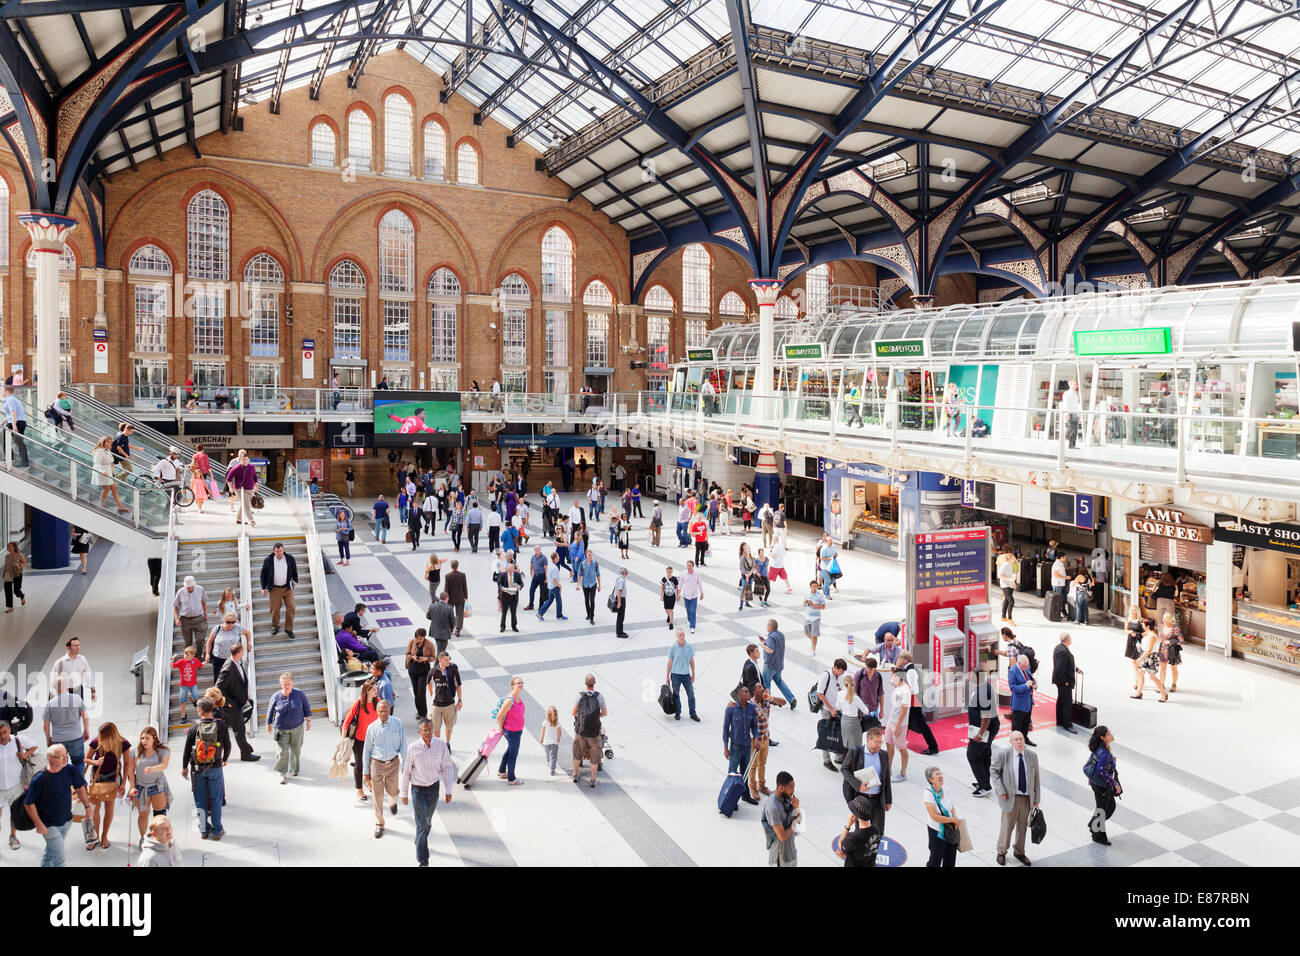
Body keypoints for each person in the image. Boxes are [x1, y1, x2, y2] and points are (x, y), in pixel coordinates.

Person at [23, 744, 92, 866]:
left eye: (66, 756)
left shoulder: (69, 769)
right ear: (50, 758)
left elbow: (80, 788)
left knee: (51, 852)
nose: (66, 759)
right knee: (59, 859)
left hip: (66, 821)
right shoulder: (40, 779)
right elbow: (28, 803)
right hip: (48, 825)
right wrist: (38, 824)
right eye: (62, 757)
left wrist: (87, 807)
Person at [401, 718, 454, 866]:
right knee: (422, 823)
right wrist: (404, 793)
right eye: (424, 730)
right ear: (419, 732)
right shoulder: (413, 748)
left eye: (430, 730)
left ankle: (419, 839)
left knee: (427, 823)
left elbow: (447, 768)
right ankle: (423, 860)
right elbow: (406, 772)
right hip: (418, 790)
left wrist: (448, 790)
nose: (428, 733)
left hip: (433, 789)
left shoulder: (441, 745)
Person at [181, 698, 231, 841]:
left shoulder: (194, 727)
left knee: (200, 801)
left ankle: (203, 830)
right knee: (215, 799)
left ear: (200, 711)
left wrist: (184, 767)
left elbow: (186, 750)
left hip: (197, 769)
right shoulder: (221, 725)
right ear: (212, 709)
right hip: (215, 767)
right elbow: (227, 744)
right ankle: (217, 829)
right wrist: (224, 759)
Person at [991, 730, 1040, 866]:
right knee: (1007, 826)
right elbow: (994, 771)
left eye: (1021, 739)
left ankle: (1019, 851)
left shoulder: (1032, 756)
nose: (1019, 742)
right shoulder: (1003, 754)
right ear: (1011, 742)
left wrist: (1036, 799)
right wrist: (1000, 790)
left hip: (1026, 798)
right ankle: (1001, 852)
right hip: (1009, 797)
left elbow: (1036, 779)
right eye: (1016, 740)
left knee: (1023, 827)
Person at [84, 722, 132, 850]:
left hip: (113, 779)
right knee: (95, 808)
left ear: (110, 736)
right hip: (97, 778)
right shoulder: (96, 741)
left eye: (102, 736)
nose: (100, 739)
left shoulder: (123, 743)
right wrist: (96, 761)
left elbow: (127, 764)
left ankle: (105, 836)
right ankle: (95, 837)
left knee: (109, 807)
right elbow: (86, 759)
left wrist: (123, 784)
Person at [363, 700, 406, 838]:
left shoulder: (398, 723)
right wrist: (365, 772)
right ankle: (379, 823)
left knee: (392, 791)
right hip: (377, 764)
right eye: (380, 711)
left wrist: (405, 766)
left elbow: (403, 745)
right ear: (377, 712)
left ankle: (393, 801)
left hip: (393, 764)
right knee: (377, 795)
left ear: (390, 710)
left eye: (385, 711)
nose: (383, 714)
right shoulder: (372, 728)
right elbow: (367, 751)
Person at [127, 727, 171, 849]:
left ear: (154, 738)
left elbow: (164, 765)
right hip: (140, 788)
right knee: (143, 815)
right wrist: (131, 787)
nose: (144, 741)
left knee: (160, 815)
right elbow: (130, 770)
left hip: (157, 786)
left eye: (147, 738)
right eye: (142, 738)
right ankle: (143, 839)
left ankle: (161, 839)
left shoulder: (162, 751)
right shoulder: (135, 751)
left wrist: (152, 769)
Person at [216, 643, 259, 761]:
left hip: (239, 702)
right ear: (240, 652)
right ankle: (246, 754)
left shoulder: (236, 662)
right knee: (239, 730)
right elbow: (218, 688)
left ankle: (245, 752)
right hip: (232, 706)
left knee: (240, 727)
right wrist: (228, 702)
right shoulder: (228, 668)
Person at [266, 672, 311, 784]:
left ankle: (294, 769)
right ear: (281, 684)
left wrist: (308, 720)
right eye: (284, 684)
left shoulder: (299, 694)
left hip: (297, 727)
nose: (286, 686)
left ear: (292, 683)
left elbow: (306, 707)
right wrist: (268, 724)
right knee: (282, 752)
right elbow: (270, 711)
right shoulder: (276, 696)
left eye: (289, 684)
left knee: (296, 750)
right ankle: (282, 773)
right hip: (281, 729)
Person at [0, 720, 38, 852]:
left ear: (9, 730)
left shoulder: (18, 740)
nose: (3, 736)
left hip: (15, 784)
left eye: (4, 732)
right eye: (0, 734)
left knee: (14, 813)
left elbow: (35, 746)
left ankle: (12, 836)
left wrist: (25, 754)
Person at [42, 676, 89, 780]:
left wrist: (48, 738)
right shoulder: (76, 698)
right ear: (67, 686)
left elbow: (45, 724)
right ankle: (79, 786)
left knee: (59, 765)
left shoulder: (50, 703)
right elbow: (85, 715)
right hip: (76, 737)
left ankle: (65, 785)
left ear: (55, 688)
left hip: (58, 740)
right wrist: (86, 730)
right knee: (78, 762)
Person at [341, 680, 381, 802]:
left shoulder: (378, 702)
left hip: (374, 740)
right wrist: (343, 741)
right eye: (373, 689)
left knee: (374, 764)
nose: (376, 691)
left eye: (376, 689)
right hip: (360, 740)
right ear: (367, 691)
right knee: (359, 765)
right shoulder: (358, 704)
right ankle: (359, 789)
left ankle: (368, 779)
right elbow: (346, 724)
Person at [722, 684, 759, 805]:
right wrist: (725, 747)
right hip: (735, 747)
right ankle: (731, 798)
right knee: (733, 772)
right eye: (746, 692)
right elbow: (725, 728)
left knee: (745, 772)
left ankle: (745, 795)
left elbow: (754, 725)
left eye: (749, 692)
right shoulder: (731, 709)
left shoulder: (751, 708)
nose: (749, 693)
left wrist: (756, 738)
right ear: (739, 695)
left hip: (747, 746)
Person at [898, 649, 940, 756]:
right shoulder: (911, 669)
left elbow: (913, 689)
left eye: (900, 658)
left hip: (912, 700)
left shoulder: (910, 671)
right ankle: (901, 741)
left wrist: (903, 688)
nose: (898, 659)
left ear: (905, 659)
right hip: (912, 700)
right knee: (907, 721)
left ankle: (933, 746)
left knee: (921, 725)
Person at [1086, 725, 1122, 846]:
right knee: (1104, 809)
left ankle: (1094, 825)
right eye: (1108, 734)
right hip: (1102, 786)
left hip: (1097, 784)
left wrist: (1112, 762)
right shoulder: (1103, 753)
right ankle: (1099, 836)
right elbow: (1101, 771)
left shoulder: (1101, 748)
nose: (1111, 735)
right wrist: (1115, 783)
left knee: (1108, 806)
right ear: (1102, 737)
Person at [966, 670, 999, 797]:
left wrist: (980, 733)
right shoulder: (982, 687)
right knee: (984, 754)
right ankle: (983, 781)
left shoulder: (984, 691)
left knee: (972, 754)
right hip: (984, 728)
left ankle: (984, 786)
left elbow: (986, 716)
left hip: (984, 729)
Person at [922, 766, 962, 867]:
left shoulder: (945, 789)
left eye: (940, 774)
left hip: (950, 830)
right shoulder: (928, 793)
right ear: (931, 780)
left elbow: (951, 807)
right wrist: (952, 820)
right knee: (935, 861)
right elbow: (934, 816)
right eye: (937, 774)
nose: (940, 776)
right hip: (937, 832)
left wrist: (955, 818)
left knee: (950, 860)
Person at [571, 674, 606, 787]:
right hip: (594, 733)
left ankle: (575, 775)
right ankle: (592, 780)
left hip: (581, 732)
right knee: (594, 757)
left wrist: (582, 717)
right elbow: (604, 713)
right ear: (594, 683)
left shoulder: (579, 696)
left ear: (585, 683)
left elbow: (573, 713)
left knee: (577, 755)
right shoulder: (599, 696)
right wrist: (595, 716)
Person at [260, 541, 298, 639]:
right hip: (275, 589)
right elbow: (263, 574)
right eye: (277, 552)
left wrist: (295, 583)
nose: (279, 553)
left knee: (291, 607)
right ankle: (275, 627)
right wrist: (263, 588)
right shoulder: (268, 560)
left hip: (287, 588)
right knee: (275, 609)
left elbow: (295, 571)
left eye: (280, 551)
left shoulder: (290, 558)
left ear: (283, 550)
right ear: (274, 551)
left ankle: (289, 629)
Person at [761, 770, 800, 867]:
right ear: (781, 788)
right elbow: (782, 837)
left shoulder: (784, 797)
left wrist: (796, 808)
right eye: (791, 788)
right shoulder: (773, 808)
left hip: (789, 849)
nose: (793, 791)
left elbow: (798, 820)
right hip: (781, 854)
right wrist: (794, 823)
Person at [428, 651, 462, 749]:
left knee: (449, 725)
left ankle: (447, 743)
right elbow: (429, 684)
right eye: (446, 660)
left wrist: (459, 700)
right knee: (436, 726)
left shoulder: (453, 669)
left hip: (449, 704)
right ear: (440, 660)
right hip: (436, 705)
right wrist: (432, 696)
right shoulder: (434, 671)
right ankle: (438, 745)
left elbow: (458, 685)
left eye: (449, 659)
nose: (448, 661)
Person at [496, 676, 527, 786]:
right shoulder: (510, 700)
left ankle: (501, 771)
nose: (521, 684)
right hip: (511, 731)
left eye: (522, 682)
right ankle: (511, 778)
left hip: (517, 730)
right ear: (512, 685)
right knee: (513, 754)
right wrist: (501, 729)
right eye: (518, 682)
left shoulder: (518, 698)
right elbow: (499, 716)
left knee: (510, 751)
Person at [205, 610, 251, 679]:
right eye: (228, 622)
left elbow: (248, 633)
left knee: (233, 680)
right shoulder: (217, 628)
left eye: (233, 622)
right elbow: (209, 641)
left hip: (232, 659)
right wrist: (207, 654)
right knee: (219, 680)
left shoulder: (237, 628)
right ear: (224, 621)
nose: (230, 624)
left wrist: (248, 643)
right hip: (218, 659)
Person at [51, 635, 97, 704]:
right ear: (68, 647)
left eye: (79, 645)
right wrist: (53, 697)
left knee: (78, 712)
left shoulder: (82, 660)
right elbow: (53, 680)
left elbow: (89, 675)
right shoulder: (60, 662)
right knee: (66, 713)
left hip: (78, 690)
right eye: (75, 645)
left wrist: (93, 691)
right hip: (64, 692)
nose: (78, 647)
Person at [837, 795, 880, 867]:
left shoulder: (853, 838)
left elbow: (840, 843)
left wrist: (848, 825)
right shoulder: (876, 829)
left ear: (855, 815)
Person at [884, 669, 910, 782]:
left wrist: (898, 726)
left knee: (901, 748)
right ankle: (888, 769)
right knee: (889, 744)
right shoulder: (898, 688)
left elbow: (904, 711)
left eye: (893, 676)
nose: (891, 678)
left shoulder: (905, 691)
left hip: (899, 724)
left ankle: (903, 773)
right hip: (891, 721)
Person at [666, 629, 698, 721]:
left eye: (683, 635)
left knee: (691, 694)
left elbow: (691, 661)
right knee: (676, 694)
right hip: (675, 675)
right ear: (677, 636)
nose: (682, 637)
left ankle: (693, 713)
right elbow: (670, 662)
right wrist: (667, 675)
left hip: (686, 675)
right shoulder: (673, 647)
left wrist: (693, 673)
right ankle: (678, 712)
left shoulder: (688, 646)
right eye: (680, 635)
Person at [1052, 633, 1081, 734]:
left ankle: (1060, 720)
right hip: (1063, 682)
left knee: (1061, 699)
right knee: (1067, 702)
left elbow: (1067, 664)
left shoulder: (1059, 648)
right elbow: (1060, 668)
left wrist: (1075, 669)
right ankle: (1067, 724)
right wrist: (1065, 682)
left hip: (1060, 680)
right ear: (1067, 640)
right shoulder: (1063, 651)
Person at [1134, 621, 1169, 701]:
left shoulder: (1152, 636)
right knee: (1140, 673)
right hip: (1145, 655)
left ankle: (1164, 694)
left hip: (1151, 658)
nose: (1142, 625)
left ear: (1148, 626)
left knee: (1152, 677)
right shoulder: (1147, 633)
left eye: (1143, 624)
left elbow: (1149, 650)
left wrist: (1140, 658)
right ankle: (1139, 692)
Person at [92, 437, 128, 512]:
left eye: (111, 442)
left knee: (115, 488)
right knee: (106, 489)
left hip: (110, 472)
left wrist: (112, 470)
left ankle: (120, 506)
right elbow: (96, 464)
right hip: (103, 472)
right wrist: (103, 471)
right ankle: (101, 505)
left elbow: (111, 461)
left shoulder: (108, 450)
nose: (110, 443)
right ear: (103, 442)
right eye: (108, 442)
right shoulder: (99, 451)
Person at [1008, 652, 1037, 745]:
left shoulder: (1027, 668)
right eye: (1025, 666)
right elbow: (1013, 688)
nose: (1027, 667)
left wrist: (1034, 685)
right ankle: (1015, 742)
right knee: (1017, 725)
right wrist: (1025, 686)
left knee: (1025, 722)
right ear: (1019, 663)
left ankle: (1025, 738)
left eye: (1027, 665)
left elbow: (1031, 679)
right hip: (1019, 703)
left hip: (1028, 701)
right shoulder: (1013, 671)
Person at [173, 574, 209, 649]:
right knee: (188, 642)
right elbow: (175, 605)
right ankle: (189, 659)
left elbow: (203, 601)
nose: (189, 588)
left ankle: (198, 658)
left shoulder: (200, 589)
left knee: (200, 640)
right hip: (185, 619)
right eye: (188, 587)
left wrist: (205, 613)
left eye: (191, 586)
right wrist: (176, 618)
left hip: (198, 618)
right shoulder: (180, 592)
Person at [227, 450, 259, 526]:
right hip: (240, 489)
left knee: (244, 504)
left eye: (246, 460)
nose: (245, 461)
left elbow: (255, 478)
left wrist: (256, 487)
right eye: (243, 460)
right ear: (240, 460)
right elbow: (228, 478)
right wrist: (230, 487)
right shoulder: (236, 468)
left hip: (249, 489)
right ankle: (251, 520)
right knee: (247, 505)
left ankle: (239, 519)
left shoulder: (251, 467)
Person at [1125, 604, 1152, 691]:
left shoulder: (1141, 621)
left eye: (1135, 610)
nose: (1133, 612)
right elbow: (1125, 630)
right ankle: (1137, 679)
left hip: (1139, 642)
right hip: (1130, 641)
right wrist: (1130, 632)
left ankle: (1139, 679)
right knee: (1133, 661)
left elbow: (1146, 632)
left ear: (1138, 611)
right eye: (1132, 610)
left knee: (1139, 660)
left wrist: (1137, 635)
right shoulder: (1127, 619)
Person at [1, 384, 29, 467]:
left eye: (2, 390)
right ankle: (10, 457)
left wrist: (14, 426)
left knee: (18, 442)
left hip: (16, 422)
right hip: (17, 422)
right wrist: (3, 422)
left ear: (7, 391)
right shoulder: (13, 399)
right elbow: (10, 413)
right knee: (4, 438)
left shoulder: (10, 400)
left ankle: (24, 462)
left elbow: (14, 412)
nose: (1, 392)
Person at [536, 551, 567, 622]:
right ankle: (559, 616)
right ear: (555, 558)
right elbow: (555, 580)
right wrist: (560, 586)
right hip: (554, 587)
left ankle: (540, 613)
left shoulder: (549, 564)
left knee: (549, 601)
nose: (559, 558)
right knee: (559, 601)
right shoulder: (555, 568)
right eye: (558, 557)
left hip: (550, 586)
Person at [1159, 610, 1184, 693]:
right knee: (1163, 668)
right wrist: (1163, 641)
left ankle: (1174, 684)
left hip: (1173, 651)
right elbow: (1160, 638)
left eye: (1165, 618)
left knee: (1173, 668)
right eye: (1163, 618)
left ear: (1170, 619)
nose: (1163, 620)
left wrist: (1170, 642)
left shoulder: (1175, 629)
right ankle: (1161, 685)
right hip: (1163, 650)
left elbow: (1181, 641)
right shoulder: (1162, 627)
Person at [497, 558, 523, 632]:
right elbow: (499, 584)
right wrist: (501, 588)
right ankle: (502, 626)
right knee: (504, 613)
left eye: (512, 569)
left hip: (514, 597)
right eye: (509, 569)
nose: (511, 571)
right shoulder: (503, 575)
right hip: (505, 596)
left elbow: (521, 583)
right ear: (507, 569)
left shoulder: (517, 575)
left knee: (513, 612)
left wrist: (519, 586)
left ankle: (514, 626)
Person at [444, 560, 468, 635]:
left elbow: (446, 589)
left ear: (451, 566)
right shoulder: (462, 575)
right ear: (458, 565)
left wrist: (445, 598)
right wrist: (466, 596)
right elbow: (465, 586)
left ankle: (450, 628)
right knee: (459, 614)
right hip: (460, 597)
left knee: (449, 614)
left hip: (450, 598)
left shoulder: (447, 576)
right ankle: (458, 630)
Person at [577, 549, 602, 625]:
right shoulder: (582, 564)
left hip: (593, 584)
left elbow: (598, 574)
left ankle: (592, 617)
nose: (590, 556)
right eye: (589, 555)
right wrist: (578, 584)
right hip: (585, 584)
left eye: (591, 555)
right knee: (586, 600)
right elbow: (579, 574)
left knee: (592, 600)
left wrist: (599, 585)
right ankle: (588, 614)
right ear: (586, 555)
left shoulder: (595, 564)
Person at [802, 579, 826, 654]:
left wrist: (814, 605)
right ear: (810, 587)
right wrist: (805, 602)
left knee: (814, 634)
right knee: (807, 632)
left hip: (816, 618)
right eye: (813, 586)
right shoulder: (807, 594)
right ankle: (813, 641)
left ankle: (813, 649)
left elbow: (823, 607)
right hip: (807, 617)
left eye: (816, 586)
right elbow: (804, 603)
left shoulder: (820, 596)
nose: (814, 588)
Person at [1, 542, 24, 614]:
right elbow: (5, 565)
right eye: (8, 547)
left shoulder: (20, 555)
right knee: (7, 591)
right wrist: (4, 573)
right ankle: (10, 607)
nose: (9, 548)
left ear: (14, 547)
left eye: (11, 546)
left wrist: (19, 566)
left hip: (17, 574)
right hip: (8, 574)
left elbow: (24, 563)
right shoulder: (7, 556)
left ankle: (22, 596)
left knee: (16, 590)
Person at [997, 548, 1018, 624]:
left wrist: (1014, 583)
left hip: (1010, 585)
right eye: (1013, 557)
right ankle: (1010, 618)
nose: (1015, 558)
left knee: (1006, 600)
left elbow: (1012, 574)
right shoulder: (1005, 565)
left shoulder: (1012, 565)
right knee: (1011, 601)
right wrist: (1009, 580)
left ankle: (1003, 616)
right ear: (1010, 558)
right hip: (1005, 585)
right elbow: (999, 575)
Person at [1059, 378, 1082, 448]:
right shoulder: (1067, 394)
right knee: (1071, 428)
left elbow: (1076, 405)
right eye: (1074, 384)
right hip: (1070, 413)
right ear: (1070, 385)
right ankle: (1064, 437)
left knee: (1075, 430)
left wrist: (1079, 414)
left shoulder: (1075, 394)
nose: (1076, 386)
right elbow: (1065, 405)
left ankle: (1072, 445)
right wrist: (1066, 414)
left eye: (1076, 384)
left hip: (1075, 413)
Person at [611, 567, 630, 639]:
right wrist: (619, 602)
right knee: (621, 616)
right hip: (621, 599)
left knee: (620, 616)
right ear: (625, 573)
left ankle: (620, 631)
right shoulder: (621, 580)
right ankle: (619, 633)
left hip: (620, 598)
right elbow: (619, 591)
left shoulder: (619, 579)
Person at [738, 542, 757, 610]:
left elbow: (753, 567)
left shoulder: (752, 558)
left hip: (751, 576)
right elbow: (741, 567)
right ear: (745, 550)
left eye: (749, 549)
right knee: (743, 589)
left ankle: (747, 603)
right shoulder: (743, 558)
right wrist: (746, 574)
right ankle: (741, 604)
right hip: (744, 576)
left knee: (749, 589)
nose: (749, 550)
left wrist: (750, 573)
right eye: (747, 549)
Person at [1050, 552, 1069, 617]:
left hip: (1060, 584)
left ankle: (1062, 612)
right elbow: (1056, 574)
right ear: (1062, 557)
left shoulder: (1060, 563)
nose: (1066, 558)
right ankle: (1060, 612)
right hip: (1058, 584)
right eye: (1065, 557)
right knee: (1059, 599)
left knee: (1061, 599)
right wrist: (1065, 577)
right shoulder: (1057, 564)